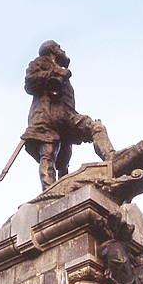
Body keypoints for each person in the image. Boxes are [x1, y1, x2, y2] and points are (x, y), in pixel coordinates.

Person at [21, 40, 116, 190]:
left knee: (95, 128)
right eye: (58, 47)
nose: (62, 50)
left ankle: (112, 158)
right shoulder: (40, 62)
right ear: (52, 50)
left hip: (66, 115)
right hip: (46, 117)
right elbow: (30, 83)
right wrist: (55, 72)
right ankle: (50, 191)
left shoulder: (61, 71)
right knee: (49, 154)